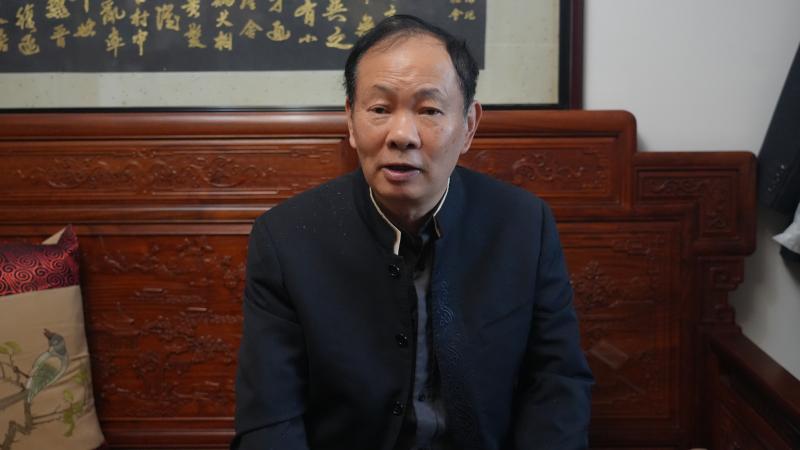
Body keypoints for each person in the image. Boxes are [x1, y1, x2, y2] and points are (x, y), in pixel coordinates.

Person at [232, 14, 593, 450]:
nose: (402, 135)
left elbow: (556, 383)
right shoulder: (286, 239)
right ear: (350, 121)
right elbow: (270, 417)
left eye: (429, 110)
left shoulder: (524, 226)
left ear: (469, 126)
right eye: (380, 109)